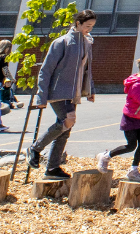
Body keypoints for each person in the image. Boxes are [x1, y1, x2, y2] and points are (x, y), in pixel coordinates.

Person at [25, 10, 98, 179]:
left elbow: (86, 70)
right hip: (58, 91)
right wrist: (41, 97)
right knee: (68, 120)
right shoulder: (61, 42)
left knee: (65, 128)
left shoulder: (86, 43)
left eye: (92, 26)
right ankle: (35, 149)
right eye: (87, 26)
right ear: (77, 24)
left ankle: (52, 168)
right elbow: (45, 71)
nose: (89, 29)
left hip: (73, 93)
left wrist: (90, 90)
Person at [97, 56, 140, 181]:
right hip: (130, 119)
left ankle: (133, 169)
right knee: (131, 145)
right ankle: (106, 156)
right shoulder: (136, 85)